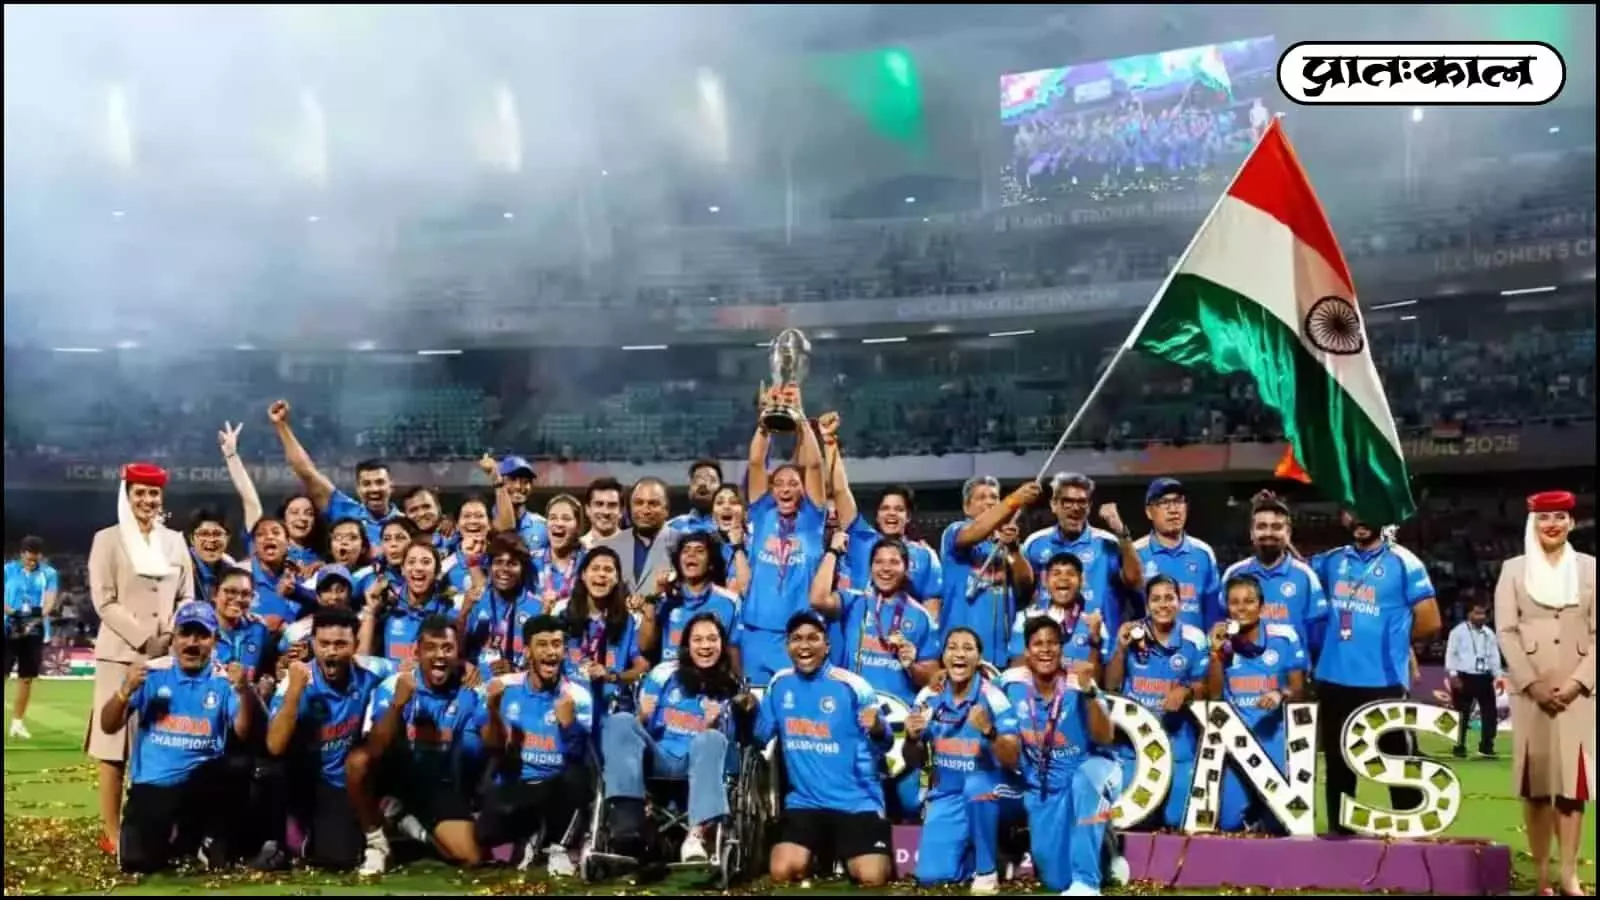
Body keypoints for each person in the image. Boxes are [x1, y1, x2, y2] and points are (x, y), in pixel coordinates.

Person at [86, 462, 195, 854]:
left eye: (154, 493)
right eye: (140, 493)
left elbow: (187, 596)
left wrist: (172, 636)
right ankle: (112, 833)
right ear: (127, 496)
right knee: (113, 748)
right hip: (119, 655)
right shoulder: (107, 540)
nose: (148, 500)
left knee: (163, 742)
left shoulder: (174, 541)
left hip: (167, 656)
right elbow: (104, 600)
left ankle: (158, 826)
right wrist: (144, 638)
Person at [1312, 508, 1440, 836]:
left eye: (1368, 509)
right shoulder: (1331, 560)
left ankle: (1411, 835)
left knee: (1397, 764)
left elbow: (1430, 621)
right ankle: (1341, 838)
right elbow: (1299, 575)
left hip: (1383, 681)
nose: (1360, 519)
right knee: (1339, 765)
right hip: (1333, 678)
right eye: (1353, 512)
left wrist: (1398, 643)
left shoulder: (1404, 562)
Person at [100, 601, 254, 872]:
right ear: (173, 639)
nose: (192, 643)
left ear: (214, 641)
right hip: (153, 785)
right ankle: (181, 837)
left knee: (238, 764)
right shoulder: (152, 674)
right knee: (137, 862)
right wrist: (124, 691)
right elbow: (108, 726)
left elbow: (243, 731)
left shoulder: (223, 679)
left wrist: (244, 691)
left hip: (200, 784)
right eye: (185, 634)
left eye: (202, 635)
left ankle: (208, 835)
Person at [1495, 490, 1595, 897]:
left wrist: (1578, 683)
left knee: (1573, 790)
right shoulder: (1513, 570)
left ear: (1571, 522)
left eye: (1559, 517)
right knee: (1535, 789)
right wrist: (1532, 684)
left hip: (1579, 694)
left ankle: (1569, 875)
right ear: (1532, 523)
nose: (1551, 524)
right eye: (1543, 518)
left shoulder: (1591, 569)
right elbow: (1506, 631)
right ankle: (1540, 875)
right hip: (1529, 693)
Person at [811, 531, 940, 820]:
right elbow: (818, 599)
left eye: (894, 562)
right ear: (870, 568)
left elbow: (932, 678)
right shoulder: (854, 602)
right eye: (879, 562)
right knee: (858, 800)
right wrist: (833, 552)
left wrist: (911, 665)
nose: (886, 568)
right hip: (858, 719)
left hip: (901, 722)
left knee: (910, 803)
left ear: (906, 568)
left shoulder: (920, 617)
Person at [604, 613, 752, 864]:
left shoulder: (733, 688)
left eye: (712, 639)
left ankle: (696, 836)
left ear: (722, 645)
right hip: (660, 757)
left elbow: (731, 746)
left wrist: (713, 725)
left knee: (711, 738)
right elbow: (638, 733)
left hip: (700, 763)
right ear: (686, 645)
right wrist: (642, 716)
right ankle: (628, 820)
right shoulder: (665, 675)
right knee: (620, 721)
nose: (705, 646)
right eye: (698, 640)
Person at [760, 611, 893, 887]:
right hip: (805, 802)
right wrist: (745, 712)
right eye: (796, 639)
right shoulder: (779, 684)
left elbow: (886, 743)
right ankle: (822, 855)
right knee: (782, 871)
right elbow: (760, 735)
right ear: (787, 645)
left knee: (872, 877)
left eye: (813, 638)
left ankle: (839, 854)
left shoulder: (852, 686)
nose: (804, 646)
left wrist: (878, 727)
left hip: (857, 802)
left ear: (827, 645)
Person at [346, 615, 484, 875]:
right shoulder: (392, 686)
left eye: (447, 648)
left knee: (471, 857)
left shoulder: (470, 691)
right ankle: (376, 844)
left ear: (458, 654)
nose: (439, 655)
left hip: (436, 784)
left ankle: (406, 823)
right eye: (431, 647)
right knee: (358, 763)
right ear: (416, 652)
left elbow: (479, 752)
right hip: (394, 779)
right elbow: (375, 749)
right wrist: (397, 705)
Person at [998, 616, 1121, 895]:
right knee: (1055, 880)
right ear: (1026, 651)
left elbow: (1105, 737)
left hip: (1092, 770)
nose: (1045, 649)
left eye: (1052, 643)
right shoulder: (1010, 683)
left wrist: (1090, 693)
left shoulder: (1080, 683)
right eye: (1037, 644)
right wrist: (939, 682)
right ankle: (1107, 853)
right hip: (1045, 786)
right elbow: (980, 686)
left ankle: (1087, 884)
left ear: (1061, 649)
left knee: (1084, 781)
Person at [265, 607, 388, 871]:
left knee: (342, 858)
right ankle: (285, 833)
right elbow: (274, 745)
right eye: (324, 644)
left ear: (355, 644)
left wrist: (465, 668)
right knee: (269, 769)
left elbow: (413, 670)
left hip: (345, 780)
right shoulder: (296, 681)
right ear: (313, 644)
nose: (331, 651)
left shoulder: (372, 670)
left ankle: (392, 812)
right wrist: (295, 691)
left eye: (340, 644)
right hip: (307, 779)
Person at [475, 614, 594, 876]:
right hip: (518, 785)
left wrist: (569, 725)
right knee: (485, 834)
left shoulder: (578, 696)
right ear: (527, 651)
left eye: (557, 644)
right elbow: (492, 747)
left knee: (576, 776)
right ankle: (530, 837)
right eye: (543, 645)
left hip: (556, 788)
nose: (551, 652)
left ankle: (558, 847)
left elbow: (580, 756)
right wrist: (493, 710)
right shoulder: (505, 688)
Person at [905, 627, 1021, 893]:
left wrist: (989, 731)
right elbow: (914, 760)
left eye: (968, 648)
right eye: (952, 647)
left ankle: (987, 871)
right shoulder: (928, 696)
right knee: (932, 877)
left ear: (978, 658)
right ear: (943, 656)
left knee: (976, 785)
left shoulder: (994, 698)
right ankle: (989, 854)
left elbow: (1013, 759)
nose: (959, 654)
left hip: (995, 792)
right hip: (948, 795)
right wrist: (912, 739)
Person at [1104, 575, 1209, 831]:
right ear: (1147, 604)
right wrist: (1120, 649)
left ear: (1179, 602)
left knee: (1178, 820)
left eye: (1169, 598)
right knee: (1132, 819)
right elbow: (1111, 687)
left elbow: (1206, 688)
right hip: (1134, 747)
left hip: (1177, 744)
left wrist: (1185, 690)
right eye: (1156, 599)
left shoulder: (1194, 639)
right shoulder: (1131, 634)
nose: (1163, 605)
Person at [737, 395, 829, 685]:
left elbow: (814, 466)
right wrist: (765, 422)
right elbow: (755, 462)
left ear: (803, 490)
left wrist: (800, 419)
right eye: (778, 483)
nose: (785, 489)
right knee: (754, 705)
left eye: (793, 483)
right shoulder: (762, 512)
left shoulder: (812, 519)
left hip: (798, 634)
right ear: (772, 490)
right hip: (756, 631)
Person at [1206, 575, 1306, 833]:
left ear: (1261, 607)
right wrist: (1215, 654)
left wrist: (1280, 693)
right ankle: (1251, 819)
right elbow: (1214, 695)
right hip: (1236, 742)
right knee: (1228, 823)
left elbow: (1299, 690)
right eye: (1235, 602)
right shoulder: (1220, 640)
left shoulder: (1284, 637)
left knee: (1280, 824)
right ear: (1227, 608)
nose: (1241, 608)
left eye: (1249, 601)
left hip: (1274, 741)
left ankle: (1261, 820)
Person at [1021, 472, 1142, 637]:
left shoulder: (1109, 543)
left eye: (1081, 502)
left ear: (1089, 506)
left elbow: (1135, 581)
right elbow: (1022, 591)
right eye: (1067, 502)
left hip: (1102, 643)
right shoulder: (1034, 544)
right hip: (1050, 643)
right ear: (1054, 504)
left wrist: (1121, 532)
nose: (1075, 508)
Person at [269, 399, 398, 548]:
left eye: (380, 482)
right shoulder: (345, 510)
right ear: (358, 489)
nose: (374, 489)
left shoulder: (407, 524)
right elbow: (307, 473)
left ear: (391, 486)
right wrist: (281, 426)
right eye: (367, 484)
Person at [940, 476, 1040, 669]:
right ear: (966, 507)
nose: (989, 502)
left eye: (994, 497)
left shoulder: (1006, 542)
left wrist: (1014, 550)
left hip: (1001, 655)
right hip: (959, 653)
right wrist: (1014, 500)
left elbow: (1025, 585)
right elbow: (976, 530)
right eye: (981, 497)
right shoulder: (956, 532)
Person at [1222, 493, 1327, 649]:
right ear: (1251, 533)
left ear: (1288, 533)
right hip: (1245, 664)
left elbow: (1317, 636)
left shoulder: (1306, 576)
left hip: (1293, 664)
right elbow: (1222, 625)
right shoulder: (1234, 574)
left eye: (1276, 527)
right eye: (1261, 526)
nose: (1268, 533)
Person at [1132, 478, 1221, 632]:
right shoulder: (1135, 554)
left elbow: (1214, 613)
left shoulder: (1203, 553)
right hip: (1148, 646)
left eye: (1178, 501)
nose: (1173, 510)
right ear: (1149, 512)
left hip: (1195, 646)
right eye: (1164, 503)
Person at [647, 532, 741, 666]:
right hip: (671, 676)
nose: (691, 554)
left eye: (699, 550)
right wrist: (653, 597)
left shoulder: (730, 602)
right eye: (686, 550)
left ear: (711, 563)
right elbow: (645, 647)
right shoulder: (664, 600)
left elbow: (734, 650)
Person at [358, 541, 460, 663]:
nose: (418, 568)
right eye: (411, 562)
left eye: (426, 562)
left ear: (437, 571)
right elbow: (362, 662)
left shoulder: (449, 611)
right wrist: (371, 611)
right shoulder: (387, 609)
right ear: (403, 569)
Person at [1007, 553, 1108, 669]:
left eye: (1070, 574)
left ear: (1082, 580)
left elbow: (1100, 677)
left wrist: (1095, 641)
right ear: (1045, 580)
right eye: (1056, 573)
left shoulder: (1095, 621)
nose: (1063, 578)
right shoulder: (1026, 618)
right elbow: (1016, 668)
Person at [461, 534, 543, 674]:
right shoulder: (476, 601)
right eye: (498, 562)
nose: (504, 569)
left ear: (523, 569)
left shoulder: (536, 608)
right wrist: (463, 613)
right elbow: (456, 649)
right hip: (477, 682)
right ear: (489, 567)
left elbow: (542, 663)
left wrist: (515, 671)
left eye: (512, 564)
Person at [5, 535, 58, 739]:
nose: (32, 562)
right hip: (8, 626)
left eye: (36, 558)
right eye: (28, 558)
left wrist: (34, 620)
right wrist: (13, 613)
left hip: (34, 629)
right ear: (22, 554)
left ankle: (17, 723)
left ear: (40, 556)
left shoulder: (49, 573)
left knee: (26, 678)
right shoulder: (8, 570)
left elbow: (50, 601)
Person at [594, 478, 676, 596]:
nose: (645, 510)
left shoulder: (682, 544)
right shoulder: (607, 547)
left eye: (653, 504)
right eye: (639, 503)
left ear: (667, 510)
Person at [1446, 599, 1504, 759]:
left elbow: (1494, 656)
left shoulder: (1489, 633)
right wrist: (1453, 675)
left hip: (1484, 677)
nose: (1481, 617)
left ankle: (1487, 746)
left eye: (1483, 613)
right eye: (1477, 613)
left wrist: (1498, 676)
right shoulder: (1458, 632)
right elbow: (1451, 654)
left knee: (1490, 714)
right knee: (1461, 714)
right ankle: (1459, 745)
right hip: (1464, 676)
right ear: (1469, 614)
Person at [486, 455, 551, 555]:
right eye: (512, 479)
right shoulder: (484, 522)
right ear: (499, 482)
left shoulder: (543, 527)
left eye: (526, 482)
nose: (518, 487)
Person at [581, 477, 626, 550]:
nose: (605, 512)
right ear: (587, 509)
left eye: (612, 505)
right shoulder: (576, 549)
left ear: (621, 511)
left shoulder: (634, 548)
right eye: (599, 504)